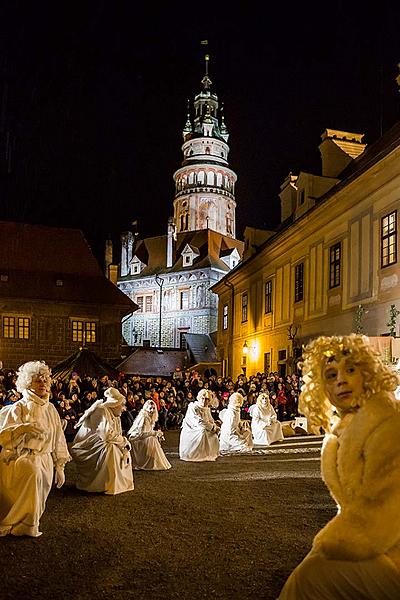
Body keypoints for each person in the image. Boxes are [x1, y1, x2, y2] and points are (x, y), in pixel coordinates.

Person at [279, 334, 400, 599]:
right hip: (367, 541)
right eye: (331, 375)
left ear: (367, 374)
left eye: (351, 370)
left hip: (387, 546)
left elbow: (385, 507)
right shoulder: (340, 431)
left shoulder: (389, 421)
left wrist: (329, 542)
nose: (341, 380)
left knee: (309, 578)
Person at [0, 361, 70, 537]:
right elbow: (4, 436)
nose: (44, 384)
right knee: (32, 473)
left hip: (44, 458)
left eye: (46, 380)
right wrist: (23, 428)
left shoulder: (51, 409)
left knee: (37, 494)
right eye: (39, 381)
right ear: (28, 383)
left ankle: (27, 523)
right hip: (20, 457)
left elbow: (59, 439)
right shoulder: (19, 407)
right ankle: (19, 523)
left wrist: (60, 466)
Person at [70, 387, 134, 495]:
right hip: (87, 444)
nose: (123, 409)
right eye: (121, 405)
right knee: (110, 448)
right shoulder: (101, 410)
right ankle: (105, 483)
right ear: (114, 404)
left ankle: (117, 482)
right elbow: (106, 435)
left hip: (101, 440)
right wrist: (123, 441)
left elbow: (115, 434)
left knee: (119, 447)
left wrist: (123, 443)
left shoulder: (114, 414)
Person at [128, 399, 171, 470]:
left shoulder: (150, 416)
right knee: (152, 440)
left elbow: (148, 431)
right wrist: (155, 433)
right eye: (150, 408)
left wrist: (156, 433)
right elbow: (141, 434)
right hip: (137, 439)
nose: (152, 410)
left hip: (143, 436)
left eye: (153, 408)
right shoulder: (144, 417)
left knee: (153, 439)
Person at [179, 389, 220, 462]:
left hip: (204, 426)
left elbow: (210, 419)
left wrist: (215, 426)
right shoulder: (194, 407)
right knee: (202, 432)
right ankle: (199, 453)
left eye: (207, 399)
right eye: (203, 398)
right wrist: (212, 427)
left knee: (212, 433)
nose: (204, 401)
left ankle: (209, 453)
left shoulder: (206, 408)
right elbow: (199, 421)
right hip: (192, 428)